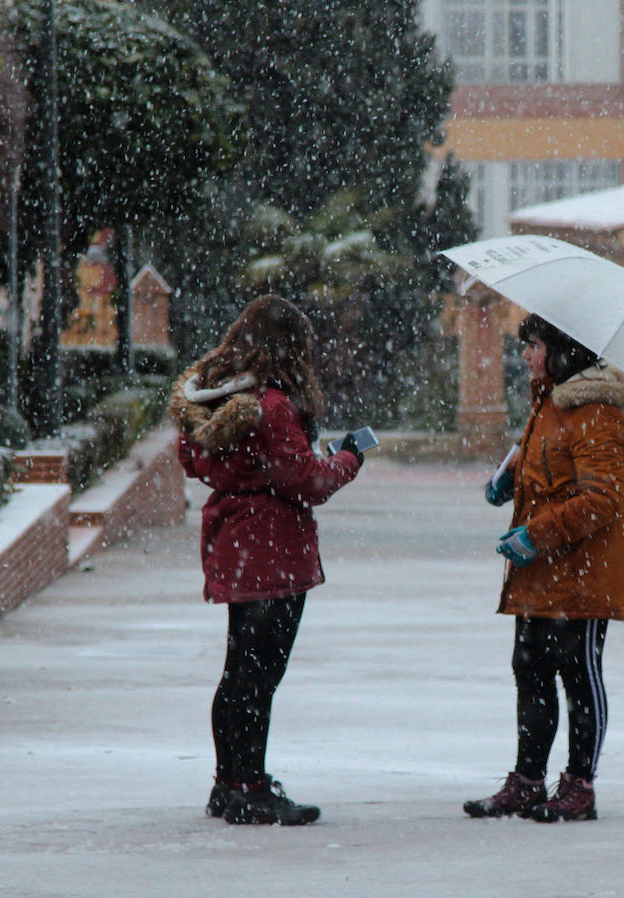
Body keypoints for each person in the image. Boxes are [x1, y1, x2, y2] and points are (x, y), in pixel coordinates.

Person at [169, 294, 364, 826]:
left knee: (237, 673)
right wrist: (348, 458)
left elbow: (195, 459)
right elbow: (304, 481)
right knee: (259, 677)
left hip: (234, 543)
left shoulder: (218, 401)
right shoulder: (274, 406)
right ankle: (251, 787)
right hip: (272, 551)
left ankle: (228, 784)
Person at [464, 313, 624, 823]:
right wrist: (509, 478)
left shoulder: (598, 415)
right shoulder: (547, 405)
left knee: (578, 673)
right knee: (531, 669)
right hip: (542, 571)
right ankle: (527, 781)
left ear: (561, 351)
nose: (524, 356)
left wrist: (535, 535)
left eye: (534, 345)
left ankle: (579, 787)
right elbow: (546, 467)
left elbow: (600, 500)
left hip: (585, 572)